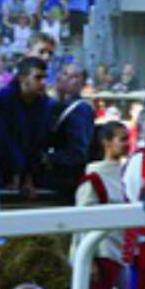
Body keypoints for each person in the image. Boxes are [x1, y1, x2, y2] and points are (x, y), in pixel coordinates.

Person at [74, 120, 129, 289]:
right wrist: (88, 260)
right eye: (122, 139)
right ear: (107, 142)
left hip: (123, 251)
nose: (127, 143)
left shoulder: (126, 172)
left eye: (128, 139)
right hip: (102, 253)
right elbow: (81, 221)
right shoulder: (94, 178)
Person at [0, 56, 52, 197]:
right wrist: (15, 172)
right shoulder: (3, 101)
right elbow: (2, 141)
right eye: (38, 78)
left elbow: (38, 142)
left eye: (44, 78)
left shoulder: (43, 103)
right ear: (23, 78)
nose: (43, 83)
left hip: (28, 173)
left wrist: (28, 176)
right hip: (2, 171)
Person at [38, 63, 95, 203]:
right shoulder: (53, 105)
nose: (67, 79)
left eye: (75, 76)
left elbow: (78, 153)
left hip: (66, 180)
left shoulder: (81, 110)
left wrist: (50, 158)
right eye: (64, 74)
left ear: (82, 82)